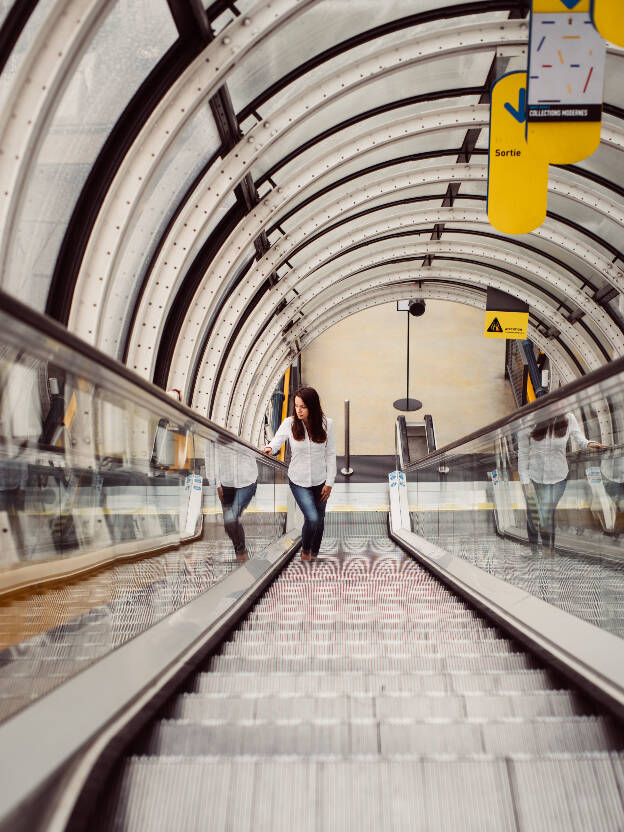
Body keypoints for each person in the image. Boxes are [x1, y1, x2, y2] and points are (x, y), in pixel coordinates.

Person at [517, 412, 605, 557]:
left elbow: (580, 439)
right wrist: (525, 482)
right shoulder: (527, 422)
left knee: (546, 513)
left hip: (558, 477)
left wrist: (589, 443)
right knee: (534, 515)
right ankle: (533, 548)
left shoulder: (568, 418)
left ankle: (548, 550)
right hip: (534, 477)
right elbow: (523, 455)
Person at [264, 386, 336, 561]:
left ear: (312, 406)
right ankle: (305, 552)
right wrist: (270, 448)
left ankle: (315, 553)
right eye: (296, 406)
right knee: (312, 518)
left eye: (302, 406)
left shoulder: (327, 424)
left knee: (319, 521)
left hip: (320, 481)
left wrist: (329, 482)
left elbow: (330, 454)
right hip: (298, 481)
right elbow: (276, 442)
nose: (298, 410)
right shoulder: (289, 423)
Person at [207, 442, 258, 562]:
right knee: (229, 523)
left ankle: (241, 553)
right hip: (226, 482)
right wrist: (216, 484)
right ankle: (241, 551)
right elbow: (210, 456)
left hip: (247, 481)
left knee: (231, 518)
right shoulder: (216, 425)